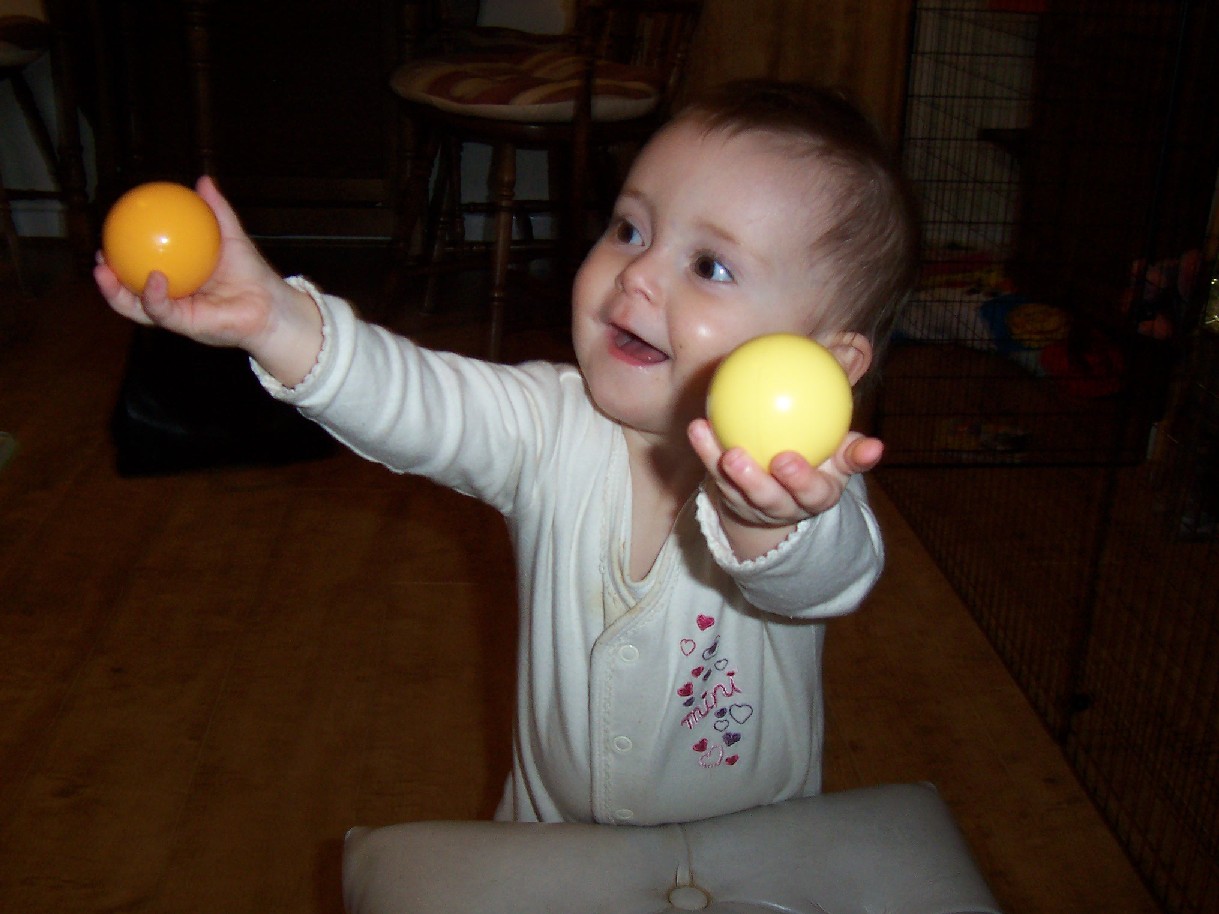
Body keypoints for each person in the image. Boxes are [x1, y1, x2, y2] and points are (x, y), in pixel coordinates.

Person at [97, 80, 918, 826]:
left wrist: (759, 519)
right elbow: (417, 399)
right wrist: (273, 320)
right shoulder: (547, 424)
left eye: (709, 265)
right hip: (543, 837)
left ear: (828, 364)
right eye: (630, 228)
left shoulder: (805, 490)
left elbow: (826, 577)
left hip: (749, 862)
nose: (635, 275)